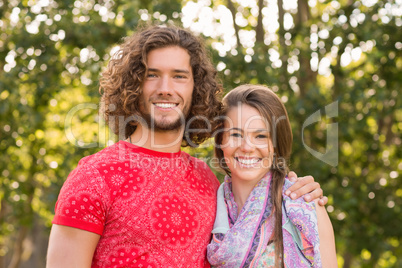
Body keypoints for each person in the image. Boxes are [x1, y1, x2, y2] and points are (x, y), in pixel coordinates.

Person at [46, 25, 328, 267]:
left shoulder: (209, 182)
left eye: (179, 76)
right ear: (133, 84)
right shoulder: (94, 176)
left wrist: (300, 190)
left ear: (196, 87)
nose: (166, 87)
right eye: (152, 74)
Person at [207, 84, 337, 267]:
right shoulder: (207, 207)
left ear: (276, 145)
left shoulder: (305, 205)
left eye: (260, 136)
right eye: (235, 134)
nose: (246, 147)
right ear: (220, 141)